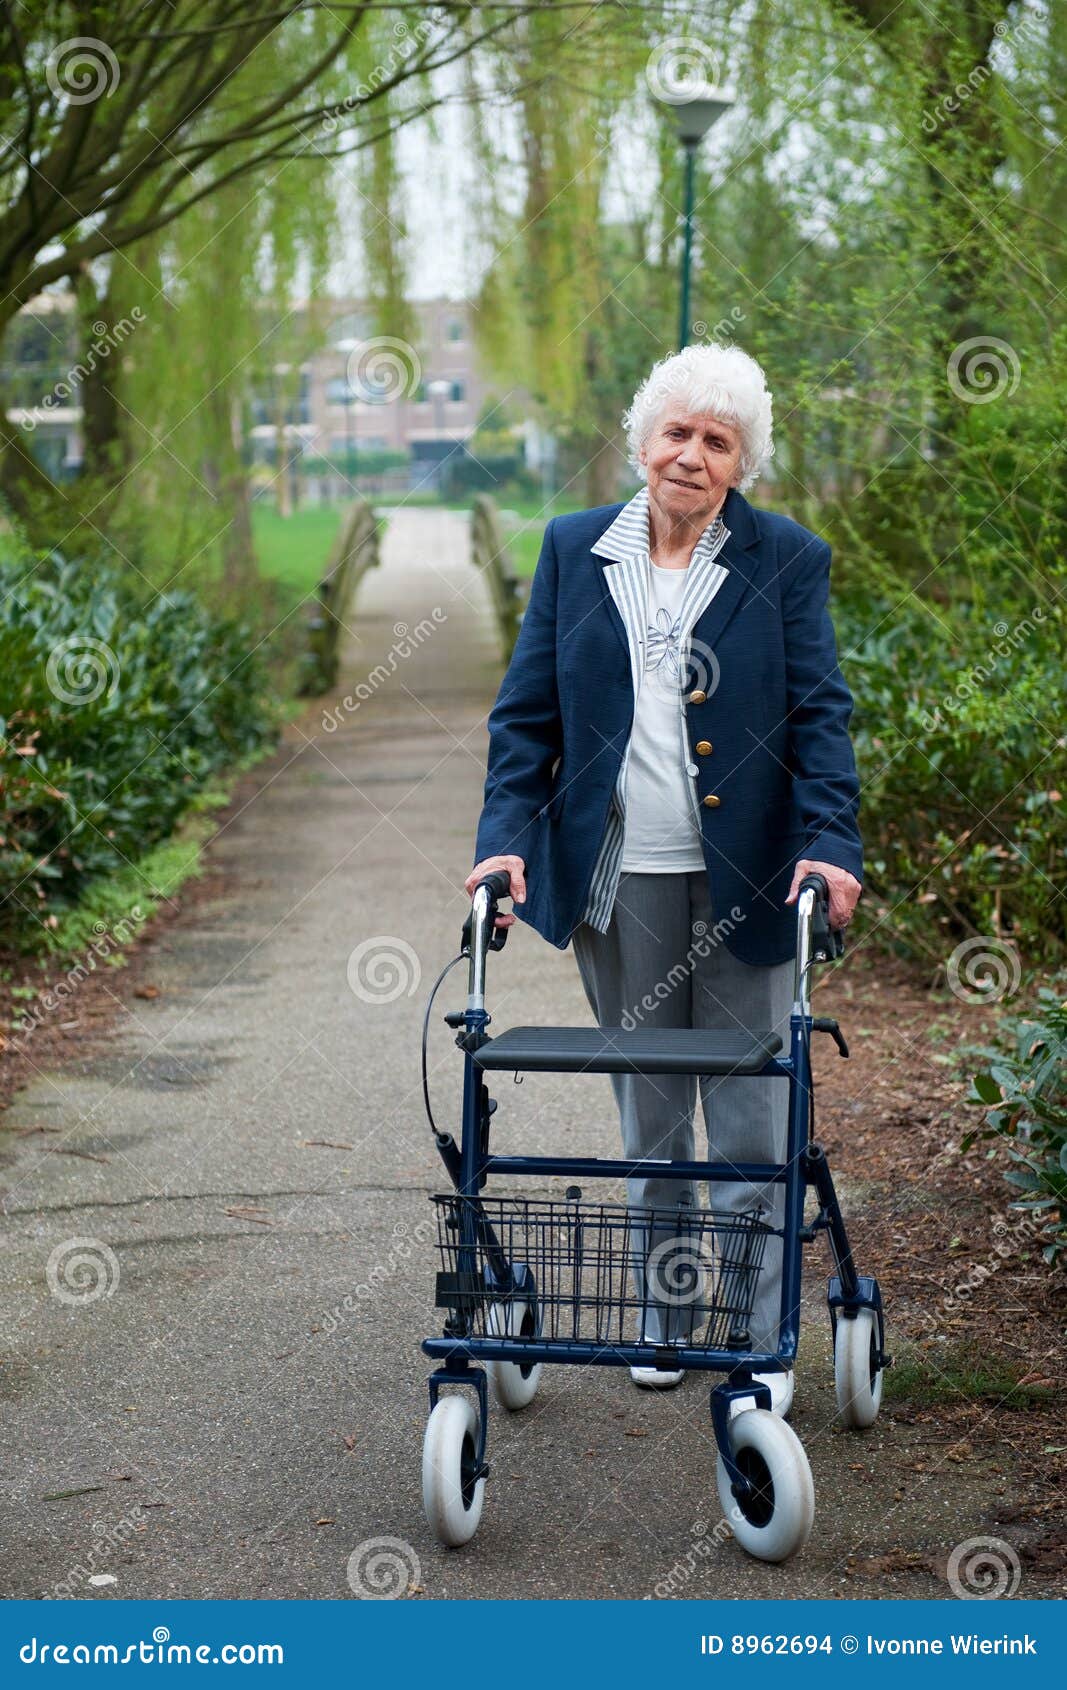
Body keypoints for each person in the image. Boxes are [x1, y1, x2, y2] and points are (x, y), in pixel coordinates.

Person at [465, 343, 862, 1406]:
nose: (690, 454)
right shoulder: (571, 549)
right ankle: (663, 1312)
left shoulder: (784, 560)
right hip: (617, 877)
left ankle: (751, 1328)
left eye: (716, 440)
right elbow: (524, 722)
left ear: (740, 463)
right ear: (642, 441)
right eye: (676, 432)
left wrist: (830, 845)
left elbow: (821, 717)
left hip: (750, 879)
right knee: (650, 1116)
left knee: (745, 1117)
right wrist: (501, 836)